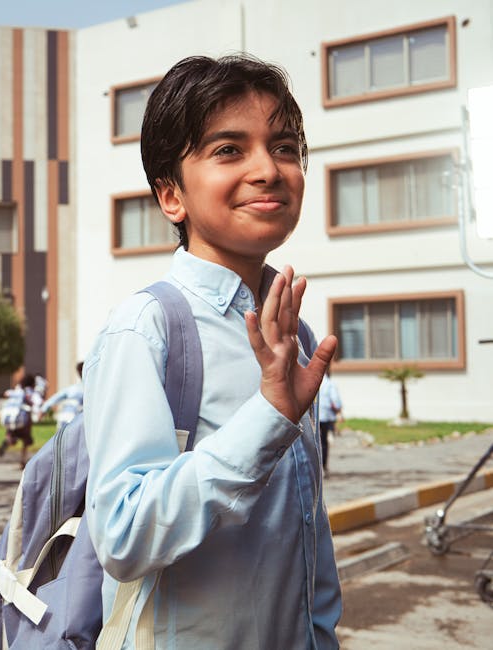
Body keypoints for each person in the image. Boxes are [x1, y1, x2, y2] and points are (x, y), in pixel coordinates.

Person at [82, 54, 341, 648]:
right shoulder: (147, 328)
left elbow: (305, 533)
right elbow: (121, 537)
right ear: (171, 196)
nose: (268, 170)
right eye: (229, 150)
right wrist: (268, 419)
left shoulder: (292, 332)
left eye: (283, 147)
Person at [0, 372, 38, 469]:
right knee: (26, 441)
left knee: (12, 434)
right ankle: (22, 461)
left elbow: (6, 393)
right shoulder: (29, 392)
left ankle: (8, 440)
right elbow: (35, 402)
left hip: (12, 418)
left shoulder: (16, 391)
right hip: (24, 420)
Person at [38, 362, 84, 433]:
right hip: (76, 420)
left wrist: (43, 409)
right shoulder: (89, 388)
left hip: (64, 419)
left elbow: (55, 398)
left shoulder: (72, 389)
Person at [318, 370, 343, 478]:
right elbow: (336, 401)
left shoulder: (311, 380)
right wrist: (338, 410)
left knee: (314, 441)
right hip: (325, 416)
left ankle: (316, 466)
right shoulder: (329, 384)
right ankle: (323, 466)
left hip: (312, 417)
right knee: (324, 442)